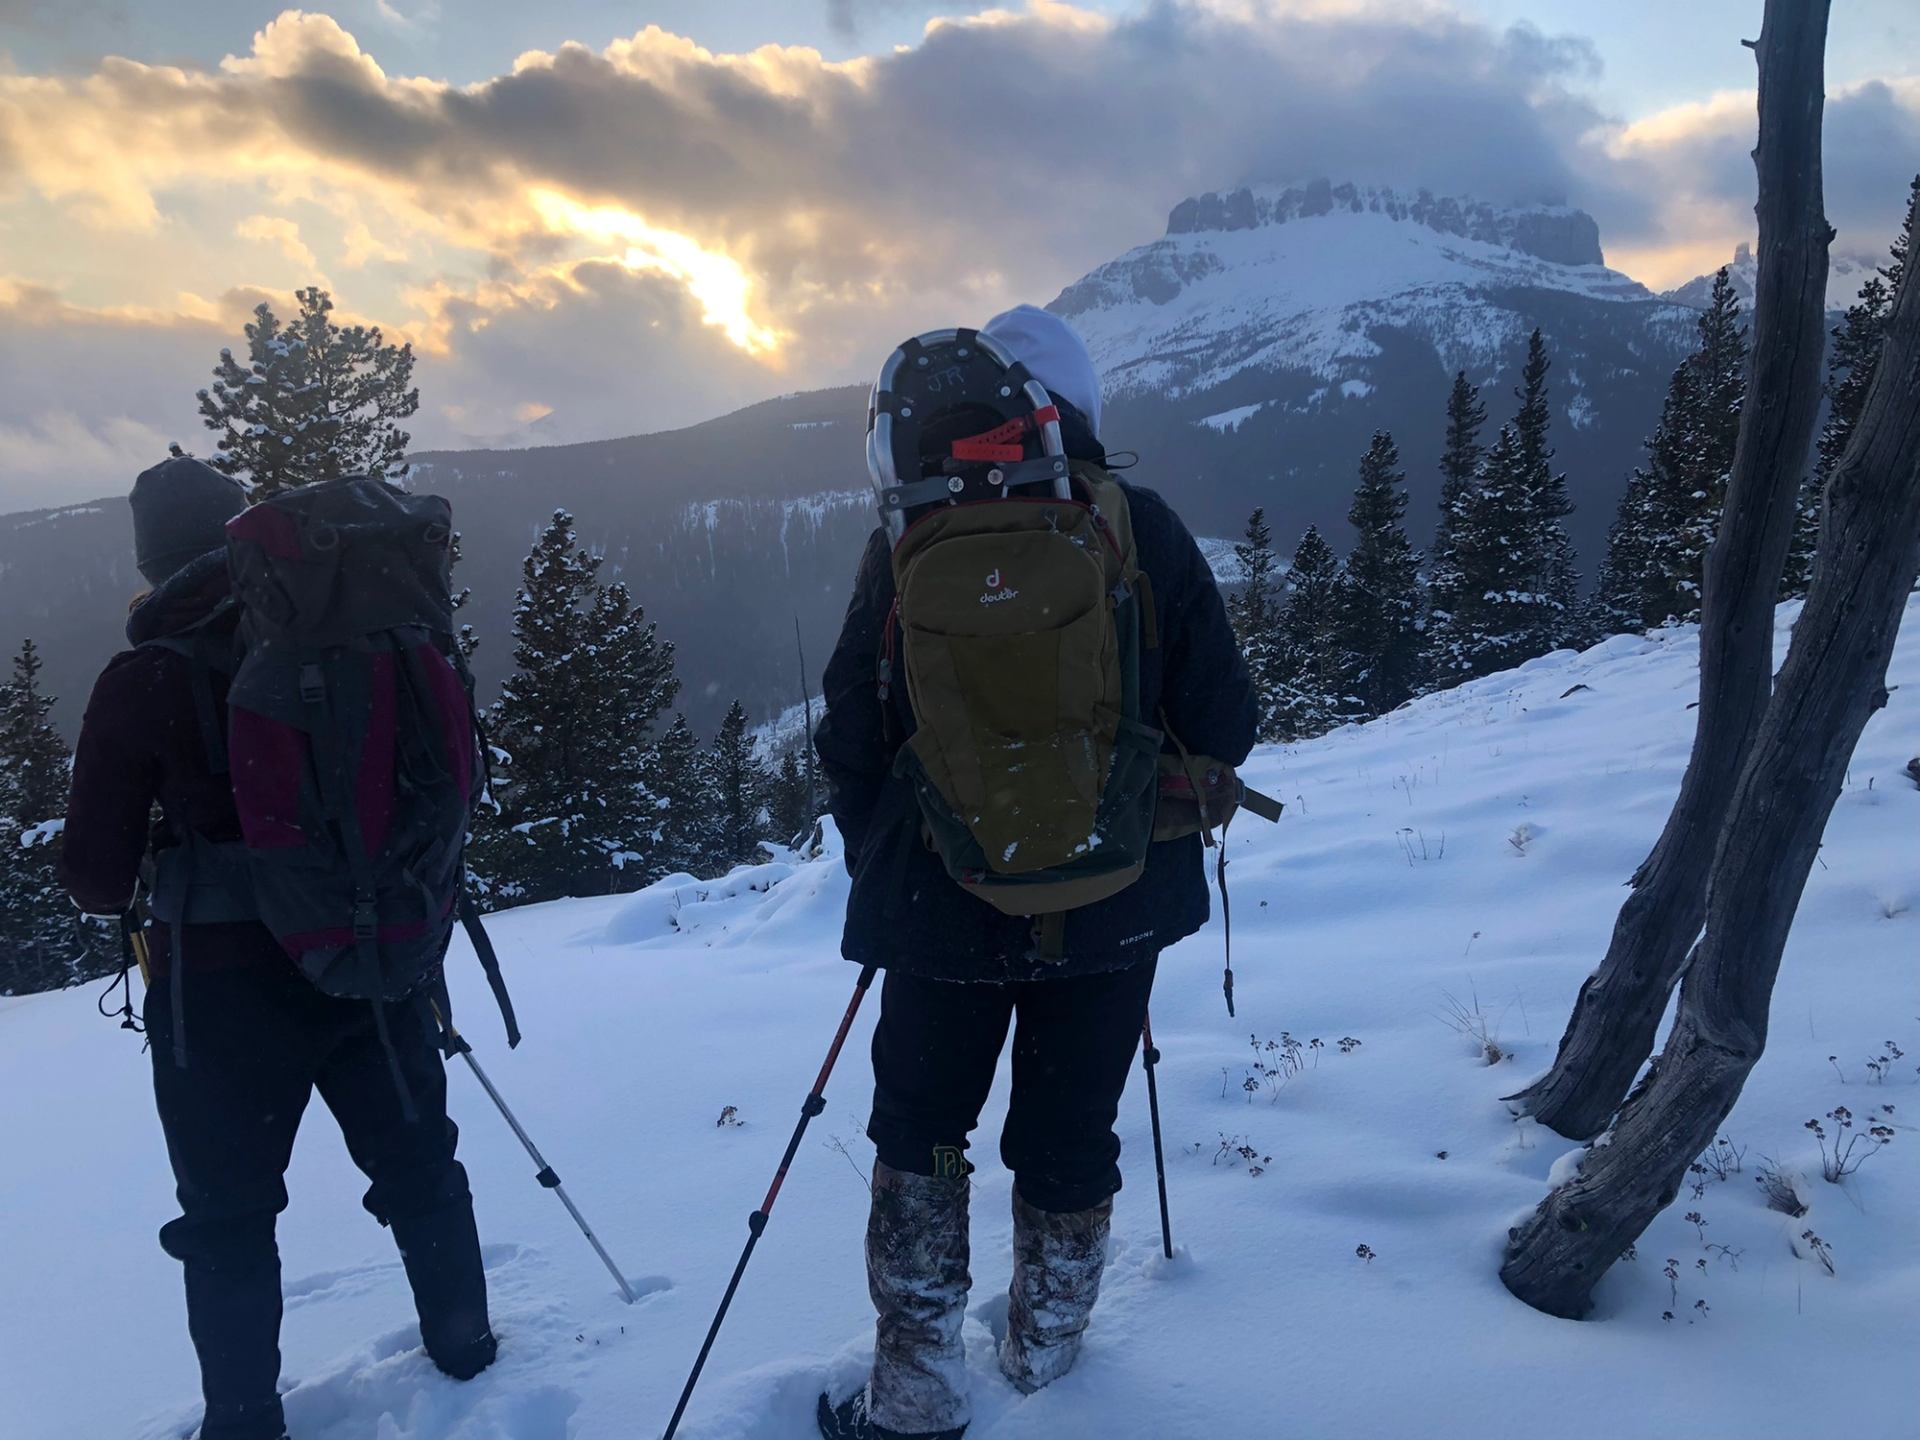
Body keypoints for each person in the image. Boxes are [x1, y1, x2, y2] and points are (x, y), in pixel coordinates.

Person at [813, 306, 1257, 1439]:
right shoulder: (1139, 528)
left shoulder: (904, 545)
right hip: (1111, 909)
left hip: (941, 915)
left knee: (927, 1132)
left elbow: (851, 742)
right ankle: (1048, 1365)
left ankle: (912, 1392)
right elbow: (1225, 718)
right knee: (1069, 1136)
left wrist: (909, 856)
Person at [61, 457, 497, 1440]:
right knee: (421, 1163)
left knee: (229, 1217)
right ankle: (469, 1356)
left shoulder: (145, 678)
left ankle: (244, 1422)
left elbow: (93, 876)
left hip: (216, 995)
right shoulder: (350, 631)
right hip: (369, 947)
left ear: (150, 557)